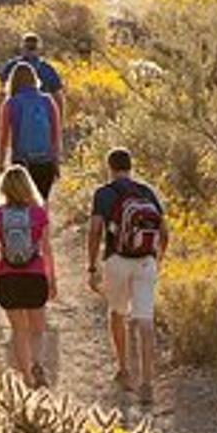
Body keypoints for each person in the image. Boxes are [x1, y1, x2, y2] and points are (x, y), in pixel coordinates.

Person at [87, 147, 168, 407]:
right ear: (130, 166)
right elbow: (164, 232)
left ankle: (123, 369)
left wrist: (91, 266)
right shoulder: (147, 192)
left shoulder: (104, 193)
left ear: (109, 167)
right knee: (145, 322)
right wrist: (158, 258)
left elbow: (95, 230)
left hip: (117, 260)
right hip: (146, 261)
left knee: (117, 313)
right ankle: (147, 383)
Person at [0, 163, 55, 387]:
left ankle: (26, 376)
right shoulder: (38, 214)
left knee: (18, 330)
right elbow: (47, 249)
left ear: (4, 188)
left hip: (8, 277)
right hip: (34, 275)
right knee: (38, 329)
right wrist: (52, 279)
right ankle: (38, 364)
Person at [0, 61, 63, 200]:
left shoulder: (11, 103)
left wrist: (1, 163)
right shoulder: (47, 100)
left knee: (20, 202)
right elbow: (56, 135)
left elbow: (3, 137)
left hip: (22, 161)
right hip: (46, 161)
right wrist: (56, 162)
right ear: (34, 79)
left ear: (13, 81)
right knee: (42, 204)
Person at [0, 32, 65, 118]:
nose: (30, 51)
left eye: (32, 48)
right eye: (28, 48)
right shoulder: (47, 69)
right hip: (40, 117)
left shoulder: (12, 66)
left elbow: (2, 95)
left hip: (16, 117)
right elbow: (58, 97)